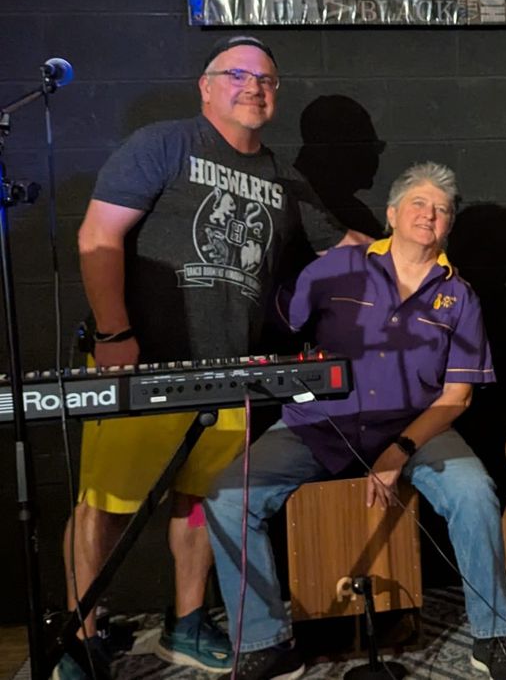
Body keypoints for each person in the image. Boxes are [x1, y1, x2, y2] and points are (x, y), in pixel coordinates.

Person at [62, 36, 370, 680]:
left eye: (267, 80)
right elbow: (98, 236)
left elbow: (345, 245)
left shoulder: (284, 178)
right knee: (106, 504)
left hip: (231, 373)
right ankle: (80, 636)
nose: (254, 86)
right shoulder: (164, 144)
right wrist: (116, 334)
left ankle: (186, 623)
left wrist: (423, 246)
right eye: (238, 74)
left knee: (202, 504)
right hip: (144, 366)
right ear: (206, 87)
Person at [204, 163, 506, 680]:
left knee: (475, 493)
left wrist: (398, 451)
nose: (431, 215)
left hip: (417, 427)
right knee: (227, 496)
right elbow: (275, 320)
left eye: (442, 210)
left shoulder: (459, 295)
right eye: (419, 204)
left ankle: (493, 637)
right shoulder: (338, 267)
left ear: (449, 227)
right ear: (393, 214)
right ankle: (265, 641)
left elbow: (457, 396)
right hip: (319, 421)